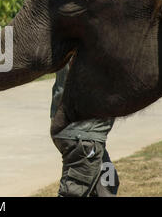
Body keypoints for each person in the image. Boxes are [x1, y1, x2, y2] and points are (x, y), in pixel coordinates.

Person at [50, 63, 119, 197]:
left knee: (108, 184)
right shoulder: (100, 45)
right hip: (83, 134)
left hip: (82, 132)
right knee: (74, 192)